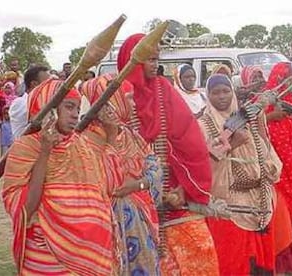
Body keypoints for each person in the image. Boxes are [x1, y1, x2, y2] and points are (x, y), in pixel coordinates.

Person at [117, 33, 219, 275]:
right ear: (132, 61)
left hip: (176, 197)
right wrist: (145, 187)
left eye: (157, 58)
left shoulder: (164, 90)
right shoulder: (117, 95)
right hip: (131, 204)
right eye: (149, 59)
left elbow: (190, 142)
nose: (155, 65)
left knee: (202, 255)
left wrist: (183, 189)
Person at [2, 79, 117, 275]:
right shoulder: (25, 147)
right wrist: (45, 151)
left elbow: (107, 188)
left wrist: (112, 133)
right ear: (49, 109)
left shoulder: (81, 145)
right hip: (44, 254)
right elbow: (26, 209)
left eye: (77, 108)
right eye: (69, 107)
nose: (75, 114)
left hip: (89, 256)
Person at [198, 74, 292, 275]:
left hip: (260, 203)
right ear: (208, 95)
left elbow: (268, 157)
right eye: (216, 93)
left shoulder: (247, 118)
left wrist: (259, 126)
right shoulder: (202, 125)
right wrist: (232, 146)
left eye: (226, 91)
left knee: (261, 264)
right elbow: (202, 170)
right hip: (228, 207)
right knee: (233, 262)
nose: (222, 96)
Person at [81, 74, 163, 275]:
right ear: (109, 103)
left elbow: (156, 168)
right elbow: (109, 184)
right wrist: (110, 138)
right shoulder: (85, 143)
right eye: (128, 98)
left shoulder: (131, 136)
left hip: (140, 224)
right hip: (109, 226)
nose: (134, 104)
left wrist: (138, 185)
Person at [264, 62, 292, 274]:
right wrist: (272, 117)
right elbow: (250, 127)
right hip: (274, 173)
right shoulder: (262, 106)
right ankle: (280, 259)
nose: (287, 84)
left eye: (291, 80)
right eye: (282, 79)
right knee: (280, 217)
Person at [9, 65, 50, 138]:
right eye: (47, 83)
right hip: (23, 147)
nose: (51, 86)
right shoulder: (19, 102)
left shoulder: (43, 102)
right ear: (34, 84)